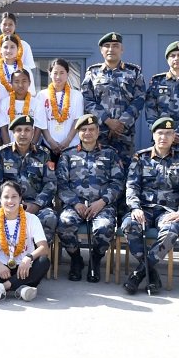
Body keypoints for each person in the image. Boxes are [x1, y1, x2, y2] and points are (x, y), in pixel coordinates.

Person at [122, 116, 179, 295]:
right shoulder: (140, 158)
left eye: (168, 134)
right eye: (160, 133)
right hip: (144, 210)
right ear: (153, 135)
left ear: (174, 137)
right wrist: (135, 207)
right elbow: (131, 186)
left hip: (169, 211)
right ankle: (151, 274)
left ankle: (139, 273)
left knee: (171, 231)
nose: (164, 137)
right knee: (129, 225)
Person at [56, 114, 125, 283]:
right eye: (83, 130)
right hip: (75, 205)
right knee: (64, 223)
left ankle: (95, 258)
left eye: (91, 129)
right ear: (78, 132)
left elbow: (118, 183)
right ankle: (76, 259)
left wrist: (102, 202)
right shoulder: (67, 155)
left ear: (98, 131)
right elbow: (61, 184)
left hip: (102, 205)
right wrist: (75, 203)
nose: (88, 133)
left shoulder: (110, 154)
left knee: (105, 227)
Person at [0, 181, 51, 303]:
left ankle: (1, 288)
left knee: (43, 261)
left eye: (14, 197)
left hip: (25, 268)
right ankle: (22, 289)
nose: (10, 201)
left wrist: (28, 258)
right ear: (0, 199)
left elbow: (44, 248)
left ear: (20, 198)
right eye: (6, 197)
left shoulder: (32, 219)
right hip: (1, 270)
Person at [81, 32, 145, 171]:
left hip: (124, 133)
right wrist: (107, 121)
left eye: (115, 46)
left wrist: (122, 123)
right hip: (99, 132)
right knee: (99, 169)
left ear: (122, 49)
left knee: (125, 170)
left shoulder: (134, 72)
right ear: (101, 50)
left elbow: (139, 99)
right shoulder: (93, 72)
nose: (111, 49)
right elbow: (87, 99)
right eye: (107, 46)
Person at [0, 115, 57, 243]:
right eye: (19, 130)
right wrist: (11, 203)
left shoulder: (43, 153)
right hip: (8, 205)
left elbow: (50, 184)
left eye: (27, 130)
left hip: (37, 205)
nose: (23, 134)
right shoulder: (2, 153)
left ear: (33, 132)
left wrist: (37, 205)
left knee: (50, 218)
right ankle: (5, 258)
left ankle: (38, 257)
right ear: (13, 133)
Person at [35, 58, 83, 157]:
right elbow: (41, 121)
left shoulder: (77, 95)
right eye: (55, 73)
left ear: (68, 73)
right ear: (49, 73)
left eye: (62, 73)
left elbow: (77, 120)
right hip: (48, 146)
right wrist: (50, 141)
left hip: (71, 146)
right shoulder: (42, 95)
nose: (58, 77)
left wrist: (68, 141)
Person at [0, 13, 35, 85]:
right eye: (4, 24)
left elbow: (29, 70)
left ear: (15, 26)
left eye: (10, 24)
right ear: (0, 26)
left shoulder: (24, 45)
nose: (7, 27)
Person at [8, 69, 42, 141]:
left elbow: (38, 127)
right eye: (16, 82)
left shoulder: (37, 103)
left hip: (30, 147)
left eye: (24, 81)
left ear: (29, 83)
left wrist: (32, 146)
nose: (20, 85)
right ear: (11, 83)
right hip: (10, 147)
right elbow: (4, 128)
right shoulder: (4, 103)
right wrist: (8, 148)